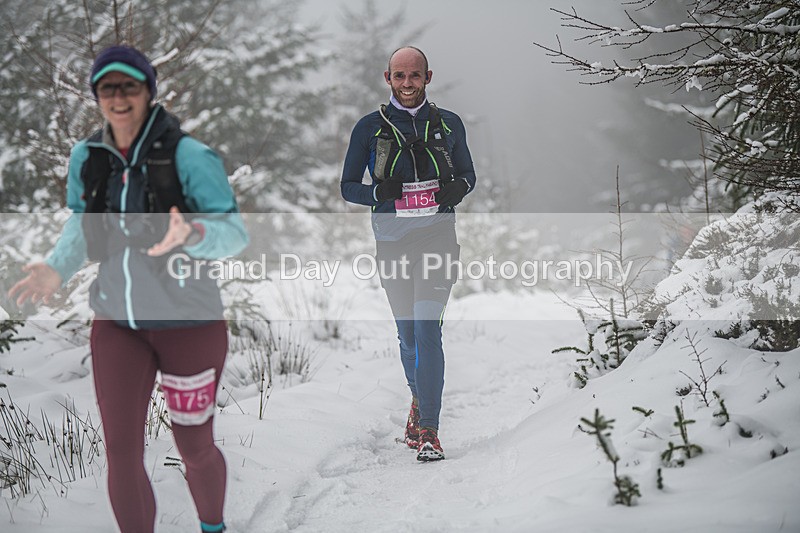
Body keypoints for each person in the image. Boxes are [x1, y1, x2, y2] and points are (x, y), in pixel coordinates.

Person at [8, 45, 248, 533]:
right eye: (107, 88)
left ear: (147, 92)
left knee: (194, 447)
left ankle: (213, 527)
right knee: (121, 451)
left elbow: (235, 234)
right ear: (97, 95)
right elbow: (81, 226)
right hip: (117, 324)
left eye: (129, 86)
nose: (118, 98)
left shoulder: (190, 156)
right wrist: (56, 269)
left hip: (190, 324)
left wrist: (194, 235)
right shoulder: (88, 158)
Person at [341, 46, 476, 461]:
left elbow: (469, 176)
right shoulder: (369, 128)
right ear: (388, 79)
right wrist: (380, 192)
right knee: (407, 337)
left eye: (414, 75)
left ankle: (430, 431)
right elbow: (348, 187)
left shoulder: (449, 123)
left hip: (437, 236)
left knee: (425, 329)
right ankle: (419, 400)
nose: (407, 83)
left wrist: (459, 189)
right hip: (393, 241)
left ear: (427, 77)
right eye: (399, 76)